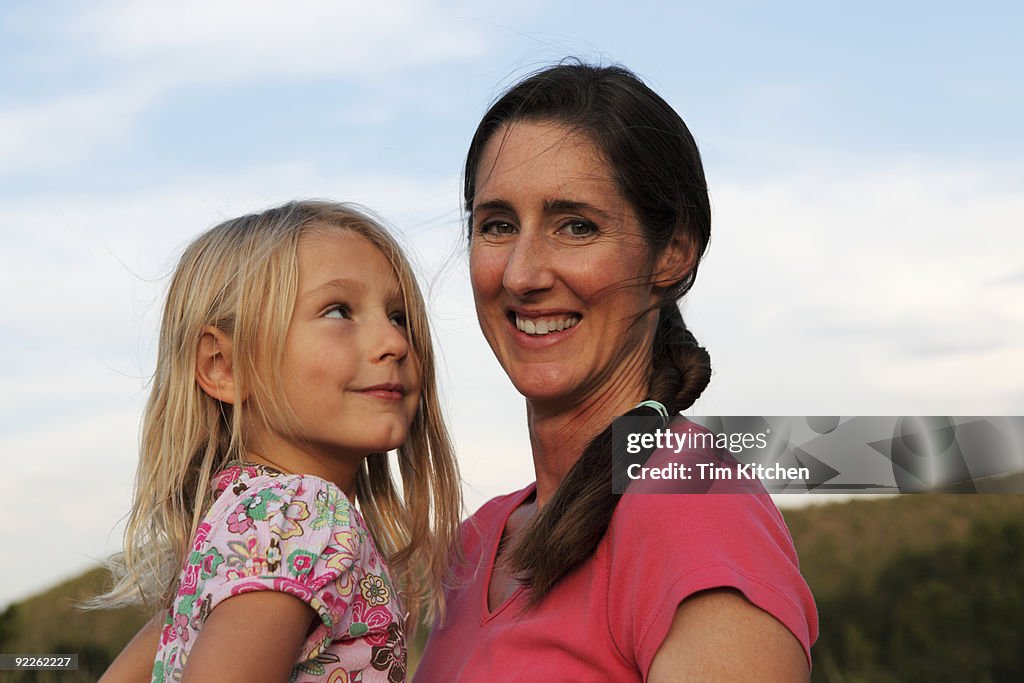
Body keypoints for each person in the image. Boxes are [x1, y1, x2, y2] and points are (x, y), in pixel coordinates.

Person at [414, 62, 817, 681]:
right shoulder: (473, 545)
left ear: (672, 254)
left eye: (576, 226)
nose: (522, 274)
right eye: (497, 225)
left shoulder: (693, 503)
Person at [95, 201, 461, 682]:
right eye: (338, 311)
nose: (394, 343)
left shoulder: (242, 522)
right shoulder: (302, 515)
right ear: (224, 367)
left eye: (398, 316)